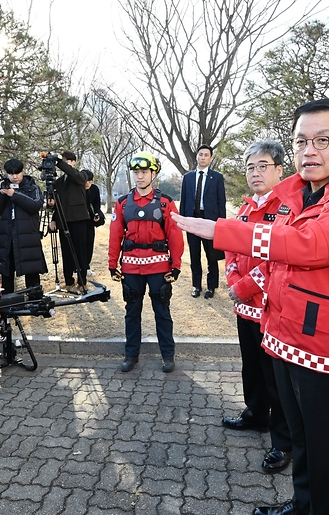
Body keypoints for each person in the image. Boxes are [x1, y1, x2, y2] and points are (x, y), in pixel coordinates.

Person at [175, 99, 329, 515]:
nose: (308, 150)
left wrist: (223, 231)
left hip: (326, 346)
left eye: (322, 140)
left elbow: (313, 245)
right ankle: (303, 510)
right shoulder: (296, 193)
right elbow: (273, 263)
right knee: (301, 440)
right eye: (300, 141)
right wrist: (244, 282)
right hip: (283, 334)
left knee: (326, 451)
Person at [222, 140, 292, 476]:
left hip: (270, 307)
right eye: (251, 167)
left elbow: (278, 260)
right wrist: (233, 279)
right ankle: (254, 414)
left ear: (279, 169)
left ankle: (283, 442)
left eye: (263, 165)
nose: (256, 172)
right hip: (243, 307)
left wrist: (245, 286)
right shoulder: (246, 207)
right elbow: (232, 248)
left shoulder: (288, 209)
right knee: (251, 367)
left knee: (276, 378)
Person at [109, 152, 184, 373]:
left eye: (144, 172)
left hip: (159, 267)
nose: (139, 176)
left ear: (153, 173)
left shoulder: (165, 202)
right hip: (131, 267)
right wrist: (113, 264)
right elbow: (115, 235)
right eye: (136, 172)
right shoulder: (122, 203)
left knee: (162, 311)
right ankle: (131, 355)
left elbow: (175, 235)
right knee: (132, 311)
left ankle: (168, 355)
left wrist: (176, 265)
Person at [0, 158, 48, 294]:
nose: (14, 177)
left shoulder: (32, 187)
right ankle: (9, 302)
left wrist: (14, 195)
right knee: (7, 271)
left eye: (17, 173)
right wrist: (0, 194)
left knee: (31, 270)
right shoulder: (4, 186)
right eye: (11, 173)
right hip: (8, 235)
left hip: (28, 236)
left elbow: (35, 205)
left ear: (22, 172)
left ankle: (35, 300)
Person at [180, 143, 226, 298]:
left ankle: (211, 286)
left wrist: (221, 225)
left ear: (210, 158)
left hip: (210, 222)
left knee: (211, 256)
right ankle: (196, 285)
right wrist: (183, 221)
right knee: (194, 255)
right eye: (201, 154)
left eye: (206, 155)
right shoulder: (187, 178)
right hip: (192, 220)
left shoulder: (217, 177)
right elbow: (184, 200)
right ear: (197, 156)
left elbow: (221, 202)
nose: (203, 157)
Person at [48, 150, 91, 293]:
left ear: (74, 162)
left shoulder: (81, 176)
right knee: (66, 252)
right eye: (63, 161)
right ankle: (69, 282)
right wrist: (54, 219)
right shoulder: (59, 182)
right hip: (63, 220)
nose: (65, 165)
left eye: (68, 161)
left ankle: (82, 281)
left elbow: (72, 173)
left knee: (80, 252)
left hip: (79, 220)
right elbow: (57, 203)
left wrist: (59, 161)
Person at [83, 168, 106, 276]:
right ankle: (77, 268)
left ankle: (86, 267)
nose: (88, 183)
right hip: (78, 220)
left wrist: (97, 214)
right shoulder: (78, 189)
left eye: (90, 181)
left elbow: (97, 204)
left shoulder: (94, 189)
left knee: (89, 243)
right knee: (79, 245)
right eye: (86, 180)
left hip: (90, 221)